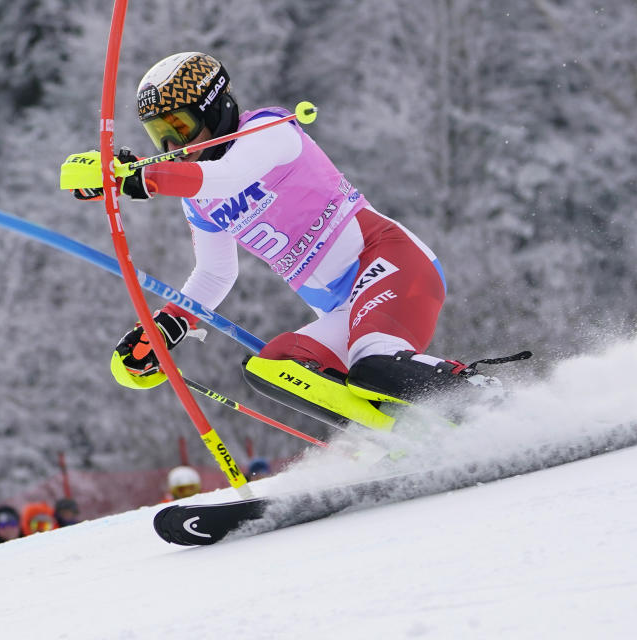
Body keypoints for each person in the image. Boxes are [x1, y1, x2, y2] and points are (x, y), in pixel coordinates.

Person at [61, 52, 517, 431]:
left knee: (374, 366)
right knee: (275, 366)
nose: (174, 142)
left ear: (216, 108)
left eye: (180, 127)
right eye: (160, 135)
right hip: (341, 309)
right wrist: (165, 327)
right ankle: (407, 436)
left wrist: (134, 174)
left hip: (389, 262)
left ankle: (488, 404)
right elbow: (216, 272)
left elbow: (226, 175)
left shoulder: (272, 131)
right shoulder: (197, 198)